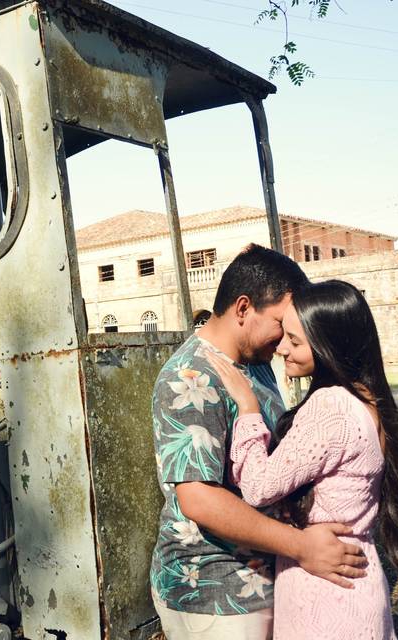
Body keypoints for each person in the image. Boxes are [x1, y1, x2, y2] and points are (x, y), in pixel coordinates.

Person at [149, 244, 369, 640]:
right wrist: (302, 546)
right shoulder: (190, 377)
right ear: (243, 308)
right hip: (216, 590)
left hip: (259, 580)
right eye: (280, 322)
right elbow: (199, 499)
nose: (286, 338)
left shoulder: (256, 361)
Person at [205, 280, 398, 639]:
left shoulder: (333, 407)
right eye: (283, 336)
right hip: (355, 577)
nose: (281, 349)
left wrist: (248, 409)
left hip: (325, 591)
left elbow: (259, 488)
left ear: (328, 347)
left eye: (294, 341)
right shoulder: (369, 399)